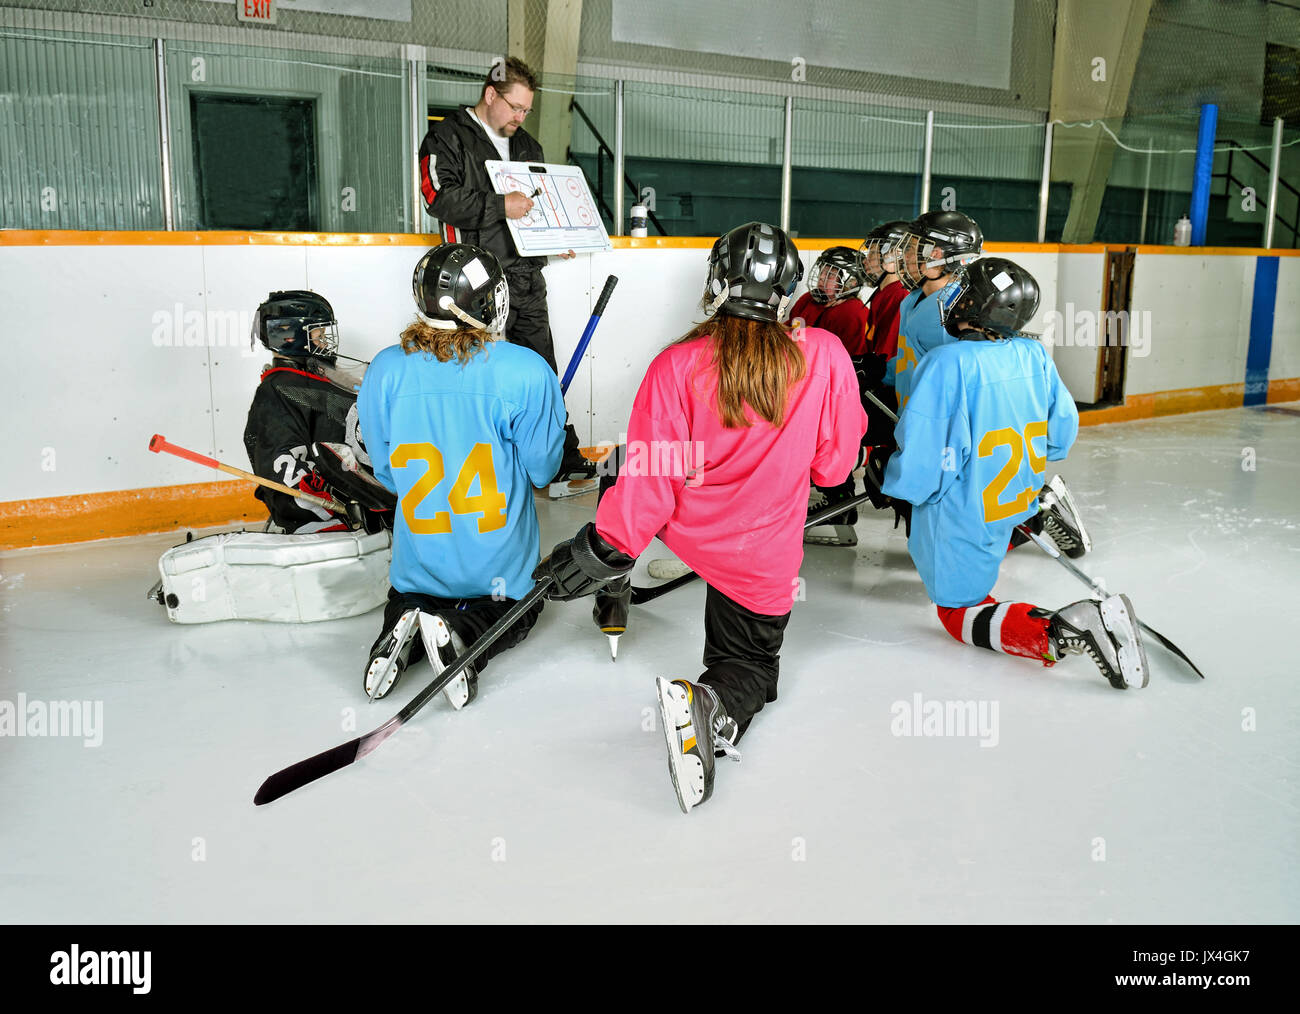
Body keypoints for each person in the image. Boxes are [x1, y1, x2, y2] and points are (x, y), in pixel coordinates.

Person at [533, 222, 868, 813]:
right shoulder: (825, 354)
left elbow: (649, 481)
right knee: (751, 669)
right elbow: (834, 469)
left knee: (617, 470)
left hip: (685, 532)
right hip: (761, 553)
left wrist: (600, 551)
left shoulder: (676, 364)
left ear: (717, 281)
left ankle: (615, 591)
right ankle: (710, 702)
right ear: (789, 291)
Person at [881, 258, 1146, 690]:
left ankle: (1064, 628)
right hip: (1011, 500)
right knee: (983, 559)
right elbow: (1060, 437)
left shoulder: (947, 364)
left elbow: (921, 474)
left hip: (961, 514)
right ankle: (1044, 507)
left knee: (957, 610)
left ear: (971, 306)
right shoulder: (1033, 353)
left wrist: (888, 476)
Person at [357, 243, 565, 706]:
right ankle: (461, 635)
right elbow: (543, 471)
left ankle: (401, 627)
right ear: (490, 301)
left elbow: (388, 472)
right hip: (498, 574)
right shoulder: (525, 370)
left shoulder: (385, 369)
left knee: (408, 599)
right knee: (519, 610)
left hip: (419, 568)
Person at [418, 56, 593, 486]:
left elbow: (538, 206)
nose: (520, 117)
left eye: (526, 110)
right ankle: (483, 462)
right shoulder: (446, 135)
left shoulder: (528, 147)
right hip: (472, 285)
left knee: (541, 373)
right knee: (479, 372)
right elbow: (437, 197)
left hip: (527, 279)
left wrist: (556, 241)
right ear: (490, 94)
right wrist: (501, 204)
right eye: (514, 107)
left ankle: (557, 457)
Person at [243, 290, 392, 534]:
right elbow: (285, 471)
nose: (325, 341)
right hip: (328, 525)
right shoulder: (277, 392)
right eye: (319, 333)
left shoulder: (311, 379)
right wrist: (346, 506)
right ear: (290, 336)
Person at [788, 246, 873, 547]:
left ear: (851, 282)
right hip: (799, 388)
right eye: (822, 270)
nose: (823, 277)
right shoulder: (806, 302)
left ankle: (840, 502)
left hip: (830, 395)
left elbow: (843, 368)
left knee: (830, 441)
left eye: (831, 274)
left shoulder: (852, 312)